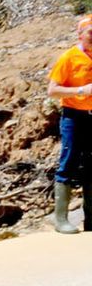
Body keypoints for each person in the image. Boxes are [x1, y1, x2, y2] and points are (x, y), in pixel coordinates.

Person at [47, 13, 92, 234]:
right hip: (74, 116)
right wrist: (81, 90)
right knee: (69, 162)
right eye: (90, 33)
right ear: (80, 34)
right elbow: (52, 90)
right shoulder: (69, 58)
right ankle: (61, 219)